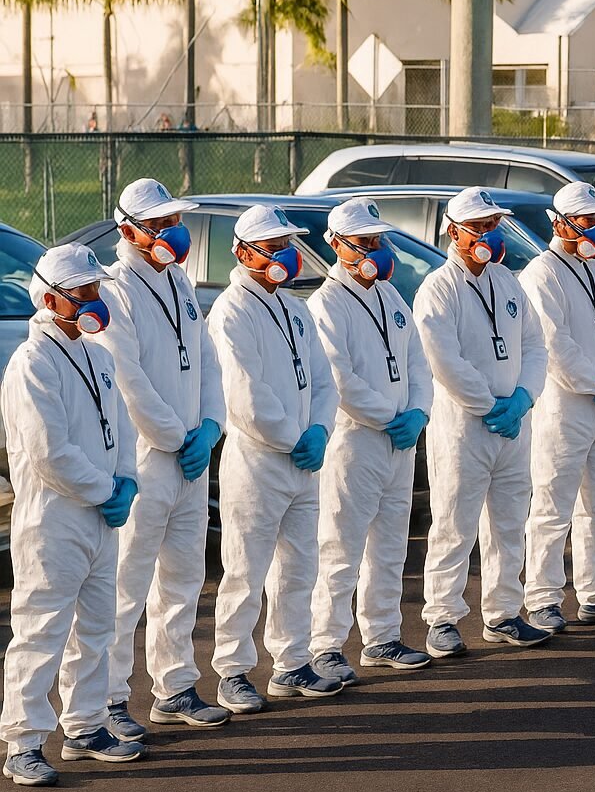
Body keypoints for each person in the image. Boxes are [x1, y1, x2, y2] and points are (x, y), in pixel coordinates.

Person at [58, 180, 229, 742]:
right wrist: (177, 436)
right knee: (123, 589)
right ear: (127, 229)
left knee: (182, 582)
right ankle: (104, 701)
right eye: (157, 225)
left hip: (188, 456)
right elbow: (126, 378)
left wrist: (209, 424)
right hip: (144, 458)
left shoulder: (178, 279)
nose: (170, 233)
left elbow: (205, 359)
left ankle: (174, 686)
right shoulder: (118, 289)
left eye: (172, 221)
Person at [2, 245, 142, 786]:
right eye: (80, 290)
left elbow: (122, 428)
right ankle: (24, 741)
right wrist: (105, 486)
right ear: (47, 297)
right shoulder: (31, 363)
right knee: (40, 629)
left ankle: (85, 725)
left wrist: (126, 479)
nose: (92, 298)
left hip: (100, 517)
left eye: (94, 288)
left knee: (97, 627)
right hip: (53, 519)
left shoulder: (97, 355)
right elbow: (47, 451)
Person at [207, 205, 341, 712]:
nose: (283, 255)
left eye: (286, 244)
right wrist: (293, 438)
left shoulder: (294, 307)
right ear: (242, 252)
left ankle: (291, 662)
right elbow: (245, 396)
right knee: (244, 571)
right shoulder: (231, 311)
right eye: (272, 246)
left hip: (304, 461)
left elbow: (324, 381)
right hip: (259, 461)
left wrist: (320, 430)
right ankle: (233, 671)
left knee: (300, 566)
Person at [415, 188, 550, 657]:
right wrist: (488, 405)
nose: (489, 236)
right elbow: (442, 358)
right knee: (455, 524)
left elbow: (535, 346)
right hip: (464, 427)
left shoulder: (508, 282)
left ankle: (504, 613)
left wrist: (523, 399)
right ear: (453, 231)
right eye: (479, 227)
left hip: (512, 425)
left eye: (494, 226)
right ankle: (442, 617)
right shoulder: (438, 288)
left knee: (510, 523)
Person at [308, 199, 435, 682]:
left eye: (379, 241)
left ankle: (382, 636)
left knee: (389, 545)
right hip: (355, 442)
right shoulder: (327, 304)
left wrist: (417, 411)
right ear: (338, 245)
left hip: (398, 442)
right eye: (366, 243)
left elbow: (418, 364)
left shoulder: (390, 297)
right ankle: (326, 644)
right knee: (341, 547)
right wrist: (391, 415)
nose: (377, 251)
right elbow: (339, 380)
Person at [521, 183, 595, 633]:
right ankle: (543, 599)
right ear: (561, 224)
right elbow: (553, 344)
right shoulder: (541, 274)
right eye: (588, 220)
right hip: (566, 406)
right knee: (553, 507)